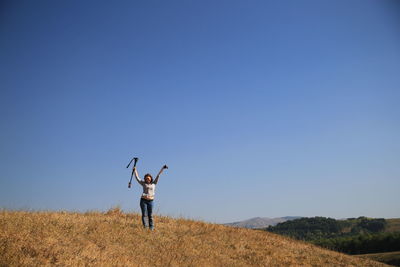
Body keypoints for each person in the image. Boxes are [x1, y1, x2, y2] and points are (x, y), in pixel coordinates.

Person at [133, 164, 168, 230]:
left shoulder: (154, 183)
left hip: (151, 201)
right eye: (146, 178)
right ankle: (145, 228)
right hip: (143, 200)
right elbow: (137, 178)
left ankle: (151, 228)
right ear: (145, 179)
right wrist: (135, 170)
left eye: (148, 178)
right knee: (144, 215)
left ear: (151, 178)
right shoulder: (143, 183)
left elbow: (158, 175)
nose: (147, 179)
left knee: (150, 215)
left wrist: (163, 168)